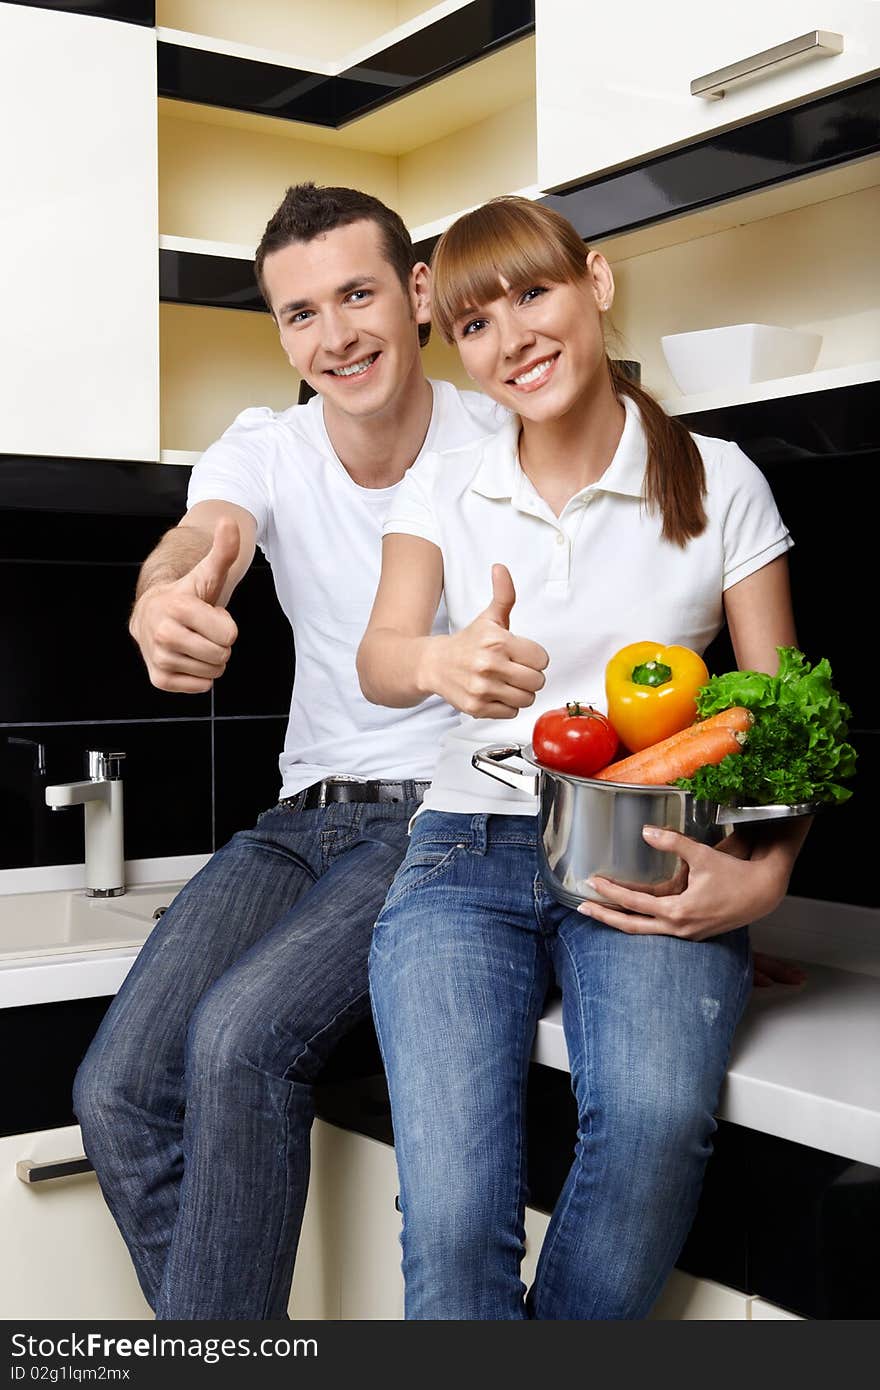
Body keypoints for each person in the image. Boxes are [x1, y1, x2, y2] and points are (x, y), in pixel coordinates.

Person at [357, 195, 811, 1319]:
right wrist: (441, 664)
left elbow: (787, 712)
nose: (509, 339)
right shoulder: (444, 482)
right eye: (472, 324)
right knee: (456, 1214)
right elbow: (380, 653)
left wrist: (763, 877)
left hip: (650, 847)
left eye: (530, 293)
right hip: (467, 844)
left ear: (594, 283)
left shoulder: (717, 480)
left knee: (655, 1128)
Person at [72, 183, 507, 1320]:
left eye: (358, 294)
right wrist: (162, 600)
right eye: (299, 313)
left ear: (417, 292)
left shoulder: (499, 436)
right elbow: (202, 538)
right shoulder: (265, 446)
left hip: (441, 821)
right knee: (115, 1090)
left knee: (238, 1040)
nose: (335, 336)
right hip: (300, 819)